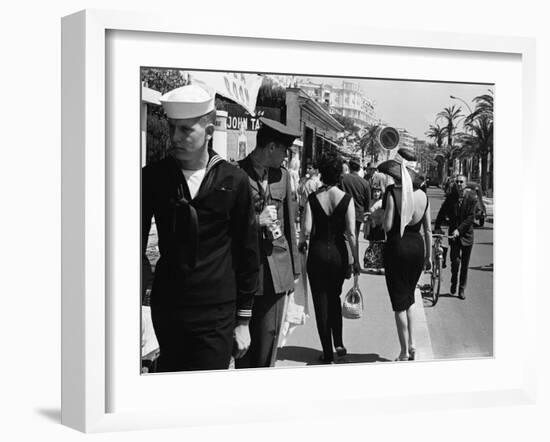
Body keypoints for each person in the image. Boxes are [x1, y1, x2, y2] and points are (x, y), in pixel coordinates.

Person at [142, 84, 259, 372]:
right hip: (169, 309)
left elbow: (248, 254)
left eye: (185, 130)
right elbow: (131, 245)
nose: (175, 137)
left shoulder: (234, 180)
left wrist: (243, 321)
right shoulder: (154, 178)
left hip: (216, 312)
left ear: (208, 132)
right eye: (172, 128)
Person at [235, 117, 301, 369]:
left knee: (269, 340)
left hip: (277, 272)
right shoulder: (237, 173)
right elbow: (228, 225)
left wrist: (294, 272)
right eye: (284, 150)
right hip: (247, 273)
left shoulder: (282, 177)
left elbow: (289, 225)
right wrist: (255, 221)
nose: (286, 157)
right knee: (242, 346)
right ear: (271, 147)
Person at [298, 151, 360, 364]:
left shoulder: (313, 198)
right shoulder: (346, 199)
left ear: (322, 174)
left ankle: (326, 352)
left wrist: (300, 245)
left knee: (320, 302)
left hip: (317, 254)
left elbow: (305, 230)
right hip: (338, 254)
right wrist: (356, 260)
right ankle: (339, 343)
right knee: (334, 297)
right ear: (339, 175)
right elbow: (351, 233)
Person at [378, 148, 432, 361]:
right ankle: (413, 344)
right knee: (409, 299)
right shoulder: (424, 196)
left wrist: (379, 218)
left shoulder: (392, 193)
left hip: (397, 249)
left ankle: (403, 351)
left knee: (399, 303)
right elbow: (427, 229)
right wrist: (428, 257)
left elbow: (389, 224)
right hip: (417, 248)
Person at [434, 174, 478, 299]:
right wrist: (437, 226)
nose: (458, 184)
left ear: (466, 184)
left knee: (464, 264)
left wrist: (459, 230)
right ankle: (454, 280)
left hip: (467, 236)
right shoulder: (451, 198)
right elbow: (442, 213)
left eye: (461, 182)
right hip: (454, 237)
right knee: (455, 262)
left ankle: (461, 289)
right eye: (457, 182)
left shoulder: (472, 199)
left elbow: (470, 218)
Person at [341, 158, 371, 255]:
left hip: (343, 212)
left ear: (349, 167)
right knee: (355, 237)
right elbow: (367, 202)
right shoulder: (365, 183)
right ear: (359, 169)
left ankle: (346, 262)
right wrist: (366, 213)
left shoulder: (342, 179)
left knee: (343, 237)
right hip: (358, 214)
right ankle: (355, 262)